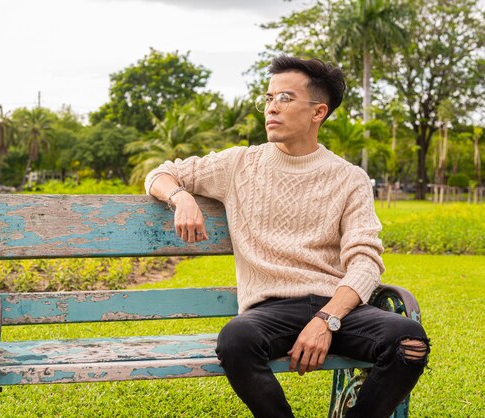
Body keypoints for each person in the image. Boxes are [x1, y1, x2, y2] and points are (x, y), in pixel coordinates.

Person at [144, 56, 429, 418]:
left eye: (285, 98)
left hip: (337, 306)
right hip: (269, 310)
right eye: (268, 98)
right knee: (236, 340)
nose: (271, 108)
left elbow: (365, 260)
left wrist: (327, 320)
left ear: (318, 112)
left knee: (409, 341)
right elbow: (161, 172)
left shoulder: (349, 178)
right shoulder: (238, 165)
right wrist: (179, 197)